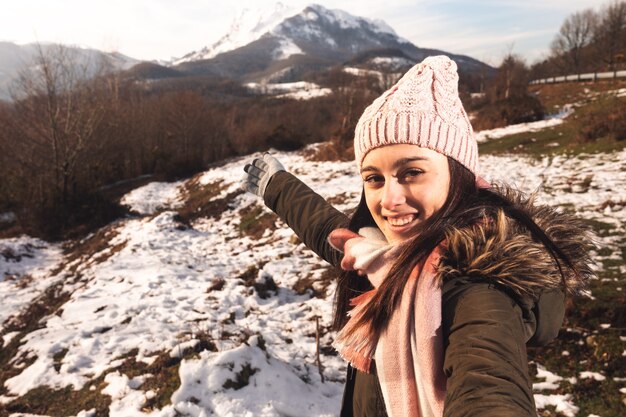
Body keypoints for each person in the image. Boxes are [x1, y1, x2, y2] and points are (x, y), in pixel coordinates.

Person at [242, 56, 593, 417]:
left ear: (458, 174)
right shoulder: (381, 255)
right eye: (374, 179)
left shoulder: (479, 290)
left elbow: (488, 386)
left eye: (411, 172)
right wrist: (278, 186)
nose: (390, 200)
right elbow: (332, 233)